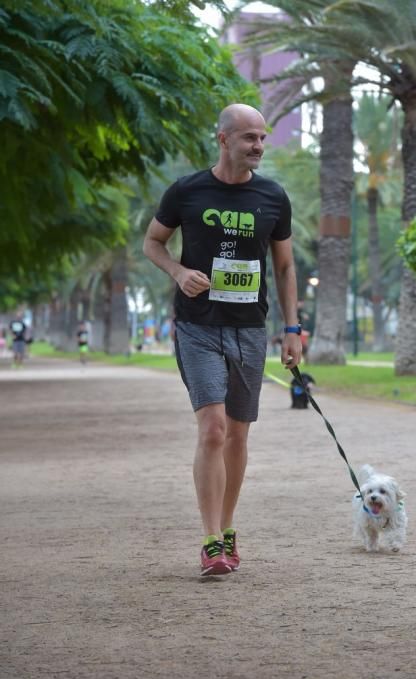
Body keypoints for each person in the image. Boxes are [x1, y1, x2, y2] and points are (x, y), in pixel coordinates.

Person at [143, 103, 302, 576]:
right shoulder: (187, 191)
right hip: (198, 325)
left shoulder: (273, 197)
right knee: (212, 428)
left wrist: (292, 330)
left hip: (250, 329)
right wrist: (177, 271)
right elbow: (153, 242)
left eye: (262, 138)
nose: (257, 146)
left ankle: (228, 527)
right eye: (249, 137)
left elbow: (286, 267)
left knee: (237, 433)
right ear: (223, 139)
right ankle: (211, 540)